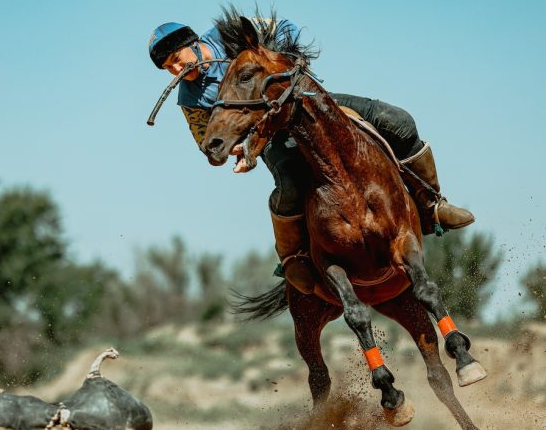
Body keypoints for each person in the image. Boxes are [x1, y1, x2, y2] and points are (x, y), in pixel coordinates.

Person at [148, 18, 475, 293]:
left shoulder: (231, 32)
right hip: (271, 135)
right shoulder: (189, 98)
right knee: (290, 185)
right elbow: (206, 141)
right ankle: (293, 259)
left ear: (192, 44)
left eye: (176, 60)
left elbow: (283, 27)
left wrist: (287, 65)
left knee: (397, 121)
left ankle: (432, 205)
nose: (176, 70)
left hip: (309, 103)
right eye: (167, 69)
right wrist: (238, 148)